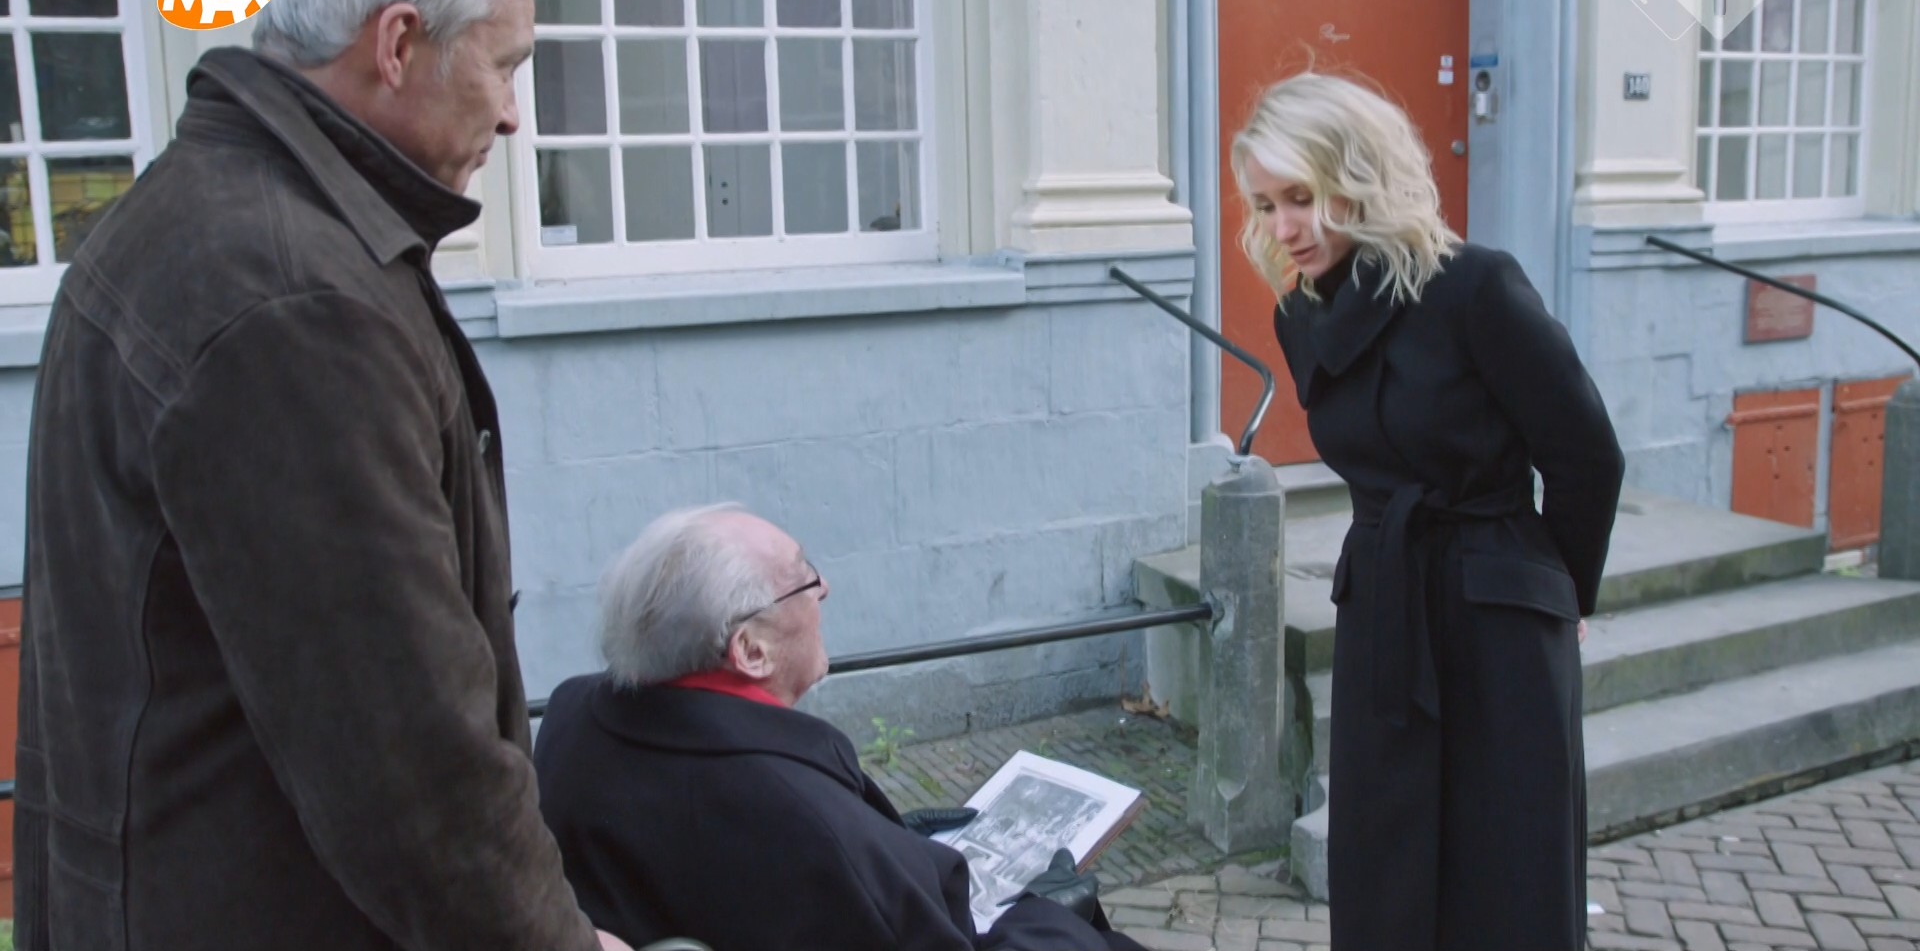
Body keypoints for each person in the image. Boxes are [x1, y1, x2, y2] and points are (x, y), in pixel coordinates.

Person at [15, 0, 632, 948]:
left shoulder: (209, 213)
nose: (511, 112)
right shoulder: (292, 299)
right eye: (504, 64)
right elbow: (409, 765)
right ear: (397, 43)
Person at [1232, 71, 1626, 951]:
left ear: (1358, 175)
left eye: (1302, 197)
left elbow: (1585, 454)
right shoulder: (1302, 317)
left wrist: (1561, 592)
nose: (1284, 227)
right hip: (1385, 607)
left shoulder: (1473, 287)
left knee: (1508, 863)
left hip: (1500, 616)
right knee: (1386, 858)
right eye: (1265, 205)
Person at [534, 503, 1148, 951]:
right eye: (804, 578)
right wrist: (1049, 917)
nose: (824, 588)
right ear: (751, 652)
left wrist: (888, 838)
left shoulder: (571, 716)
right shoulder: (803, 821)